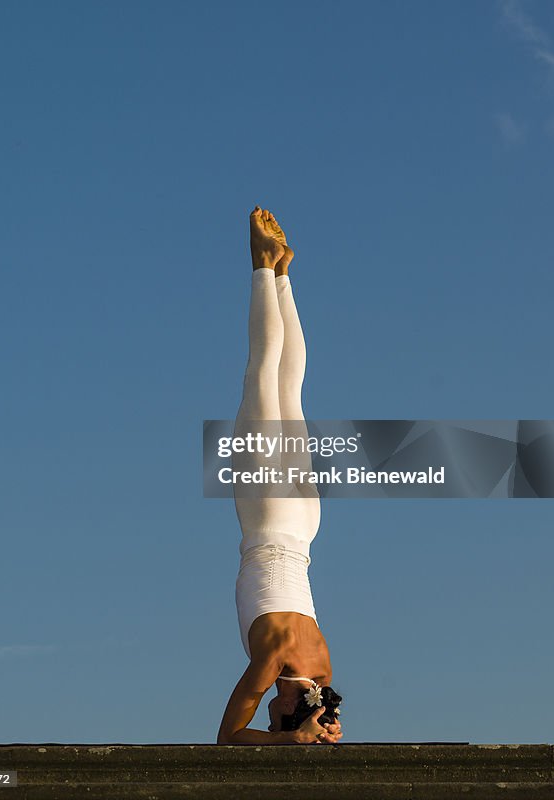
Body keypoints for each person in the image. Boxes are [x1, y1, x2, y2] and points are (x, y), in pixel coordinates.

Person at [217, 207, 343, 746]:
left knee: (290, 394)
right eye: (276, 714)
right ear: (286, 704)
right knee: (262, 377)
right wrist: (288, 742)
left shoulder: (325, 666)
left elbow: (325, 715)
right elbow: (228, 739)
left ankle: (284, 276)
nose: (268, 710)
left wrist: (318, 729)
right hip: (268, 518)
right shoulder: (271, 661)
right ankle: (262, 268)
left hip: (306, 525)